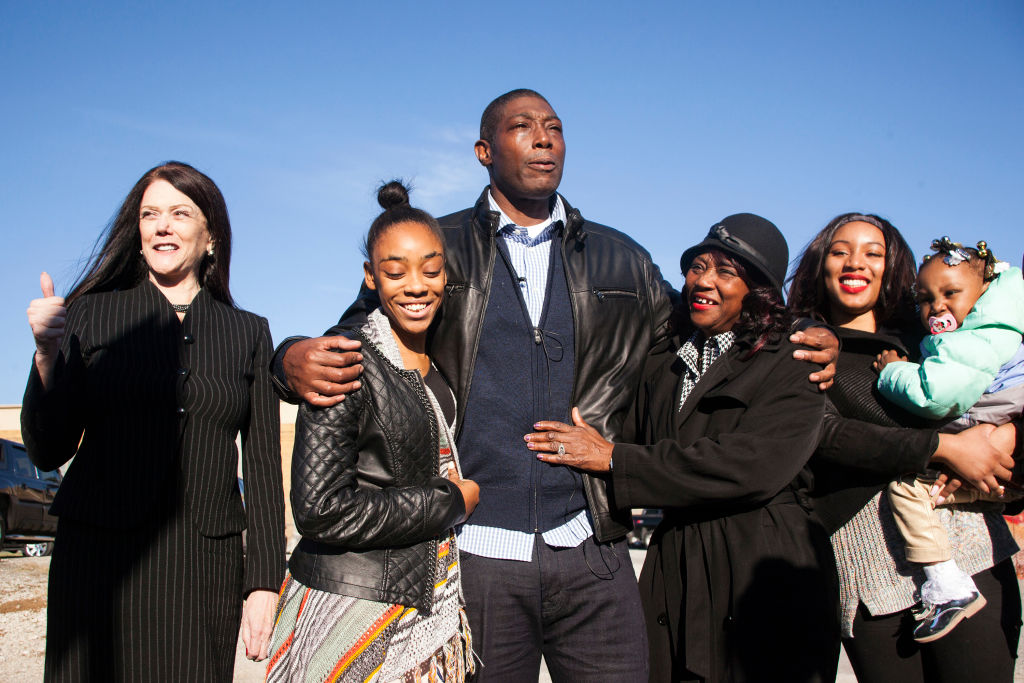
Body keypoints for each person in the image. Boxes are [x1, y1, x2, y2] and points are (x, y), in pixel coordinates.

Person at [272, 89, 839, 681]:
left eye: (555, 127)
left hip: (592, 548)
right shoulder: (436, 247)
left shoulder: (622, 260)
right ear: (484, 151)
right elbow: (358, 333)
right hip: (475, 553)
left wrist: (797, 328)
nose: (543, 138)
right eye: (522, 126)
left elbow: (706, 319)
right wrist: (286, 359)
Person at [525, 214, 840, 682]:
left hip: (766, 569)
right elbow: (622, 424)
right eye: (698, 266)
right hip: (675, 566)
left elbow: (750, 466)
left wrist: (614, 458)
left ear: (759, 293)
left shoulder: (794, 360)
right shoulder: (666, 361)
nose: (704, 281)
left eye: (726, 272)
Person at [22, 161, 286, 682]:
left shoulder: (248, 332)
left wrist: (263, 583)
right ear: (137, 232)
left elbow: (260, 466)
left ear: (210, 235)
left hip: (204, 564)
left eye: (180, 213)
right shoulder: (89, 315)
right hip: (98, 556)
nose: (162, 225)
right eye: (150, 214)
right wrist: (46, 356)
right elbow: (48, 449)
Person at [788, 213, 1020, 682]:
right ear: (820, 264)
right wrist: (944, 448)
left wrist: (1006, 435)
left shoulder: (932, 339)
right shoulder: (803, 345)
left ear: (894, 268)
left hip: (970, 548)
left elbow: (1001, 391)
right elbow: (823, 435)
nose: (857, 262)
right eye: (840, 251)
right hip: (868, 560)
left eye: (874, 252)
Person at [266, 182, 479, 682]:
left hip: (422, 600)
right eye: (395, 271)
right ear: (370, 277)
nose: (416, 285)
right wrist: (449, 502)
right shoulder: (344, 360)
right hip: (351, 602)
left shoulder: (443, 364)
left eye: (431, 269)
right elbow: (320, 510)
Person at [872, 237, 1024, 642]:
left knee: (907, 489)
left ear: (984, 291)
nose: (936, 306)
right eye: (924, 298)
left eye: (951, 293)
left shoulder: (975, 338)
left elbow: (935, 396)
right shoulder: (994, 329)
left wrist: (893, 371)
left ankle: (946, 584)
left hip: (999, 457)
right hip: (1000, 474)